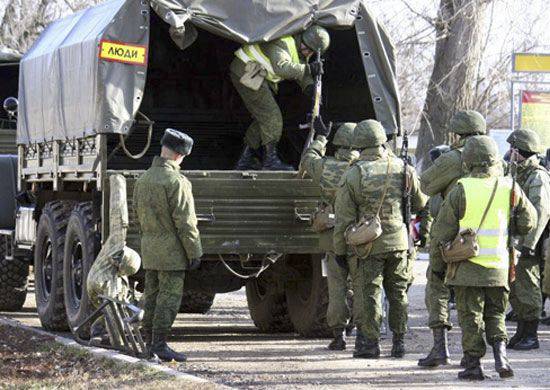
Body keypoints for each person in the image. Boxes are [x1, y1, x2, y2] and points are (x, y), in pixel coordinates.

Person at [432, 135, 536, 380]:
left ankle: (473, 365)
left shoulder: (461, 188)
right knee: (496, 314)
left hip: (468, 267)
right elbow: (528, 221)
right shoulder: (509, 186)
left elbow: (441, 231)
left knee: (471, 317)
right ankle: (501, 356)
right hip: (499, 267)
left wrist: (438, 265)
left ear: (468, 159)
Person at [334, 120, 427, 359]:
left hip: (368, 244)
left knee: (369, 293)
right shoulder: (403, 168)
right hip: (399, 242)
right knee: (398, 292)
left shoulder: (354, 173)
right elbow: (420, 204)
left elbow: (344, 218)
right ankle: (399, 342)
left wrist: (340, 251)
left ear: (359, 144)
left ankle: (369, 344)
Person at [418, 110, 487, 367]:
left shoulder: (453, 158)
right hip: (484, 234)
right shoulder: (495, 162)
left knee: (437, 285)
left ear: (458, 133)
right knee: (475, 295)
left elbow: (424, 185)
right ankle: (477, 355)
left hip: (451, 233)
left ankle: (440, 349)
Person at [133, 128, 203, 362]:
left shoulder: (143, 179)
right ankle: (160, 344)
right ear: (178, 155)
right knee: (169, 298)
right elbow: (186, 223)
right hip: (172, 252)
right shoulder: (176, 181)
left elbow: (137, 215)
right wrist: (194, 252)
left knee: (151, 295)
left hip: (149, 248)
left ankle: (147, 341)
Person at [230, 25, 330, 171]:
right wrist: (310, 69)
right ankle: (270, 161)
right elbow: (282, 68)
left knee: (264, 119)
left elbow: (301, 70)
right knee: (272, 117)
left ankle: (246, 159)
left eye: (311, 52)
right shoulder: (282, 42)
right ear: (302, 39)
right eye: (307, 48)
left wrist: (311, 89)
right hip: (245, 72)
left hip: (256, 75)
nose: (307, 53)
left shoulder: (301, 50)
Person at [300, 119, 359, 350]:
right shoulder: (365, 168)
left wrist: (321, 138)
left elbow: (308, 159)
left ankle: (339, 334)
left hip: (334, 236)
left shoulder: (327, 167)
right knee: (362, 284)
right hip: (362, 235)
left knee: (337, 286)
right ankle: (364, 332)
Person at [506, 129, 550, 350]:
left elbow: (540, 213)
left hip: (527, 244)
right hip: (516, 241)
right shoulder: (518, 172)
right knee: (516, 289)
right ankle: (521, 332)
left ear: (518, 150)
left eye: (512, 148)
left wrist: (529, 244)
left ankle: (531, 335)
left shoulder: (537, 176)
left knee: (529, 288)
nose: (509, 152)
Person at [87, 174, 141, 347]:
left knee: (113, 308)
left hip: (92, 285)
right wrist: (120, 343)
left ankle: (97, 332)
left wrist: (118, 182)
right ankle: (108, 337)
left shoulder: (113, 247)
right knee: (115, 312)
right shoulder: (114, 280)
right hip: (103, 288)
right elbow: (120, 217)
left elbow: (118, 217)